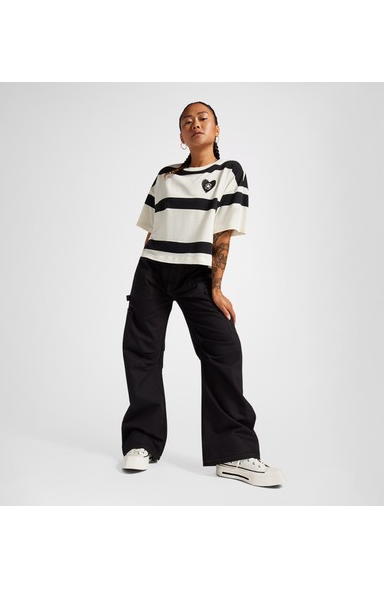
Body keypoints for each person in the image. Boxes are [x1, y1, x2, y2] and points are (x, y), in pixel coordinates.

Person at [121, 101, 284, 487]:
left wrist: (216, 286)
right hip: (152, 271)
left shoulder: (229, 172)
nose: (194, 124)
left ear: (216, 129)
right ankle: (141, 443)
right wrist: (139, 281)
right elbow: (152, 229)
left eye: (202, 118)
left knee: (223, 350)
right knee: (142, 352)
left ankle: (234, 454)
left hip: (196, 273)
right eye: (186, 122)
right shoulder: (165, 176)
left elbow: (223, 232)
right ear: (181, 135)